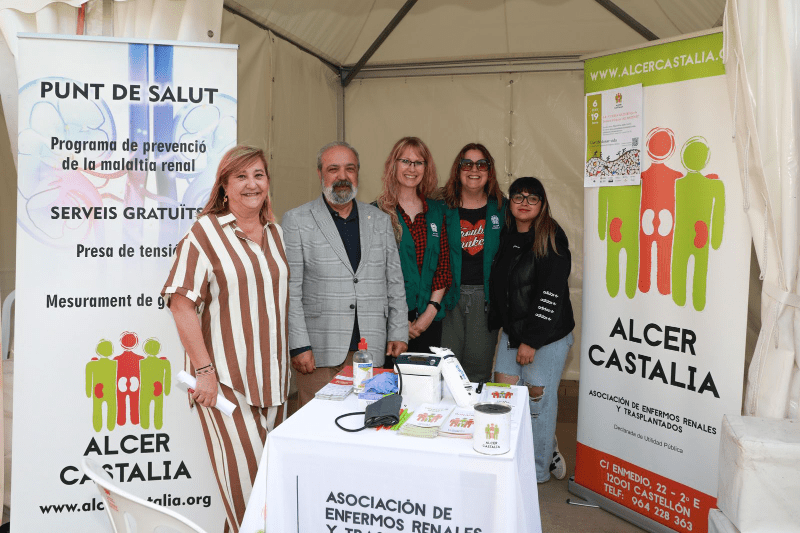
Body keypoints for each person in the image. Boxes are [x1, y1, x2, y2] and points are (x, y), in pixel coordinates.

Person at [162, 145, 289, 532]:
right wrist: (204, 372)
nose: (252, 184)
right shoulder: (205, 233)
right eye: (241, 176)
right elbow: (181, 304)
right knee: (253, 500)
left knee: (266, 497)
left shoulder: (276, 234)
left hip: (276, 384)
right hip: (227, 386)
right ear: (224, 186)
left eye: (259, 175)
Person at [283, 141, 408, 407]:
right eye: (333, 169)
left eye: (350, 169)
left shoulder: (380, 220)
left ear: (358, 172)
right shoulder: (297, 220)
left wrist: (398, 331)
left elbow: (394, 282)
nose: (343, 176)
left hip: (370, 348)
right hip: (319, 351)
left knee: (367, 420)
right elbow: (290, 290)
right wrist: (299, 345)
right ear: (320, 173)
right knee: (317, 425)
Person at [488, 176, 575, 483]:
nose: (524, 203)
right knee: (504, 395)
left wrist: (531, 341)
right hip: (513, 334)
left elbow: (551, 295)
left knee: (537, 399)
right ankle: (520, 453)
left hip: (546, 336)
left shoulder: (551, 237)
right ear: (510, 202)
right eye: (518, 197)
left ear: (542, 204)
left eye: (532, 198)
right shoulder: (506, 235)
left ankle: (537, 470)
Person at [375, 137, 451, 359]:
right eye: (405, 161)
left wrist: (430, 312)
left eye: (418, 162)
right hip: (389, 322)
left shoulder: (436, 211)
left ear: (426, 168)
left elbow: (443, 266)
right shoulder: (378, 212)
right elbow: (374, 274)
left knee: (425, 379)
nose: (412, 168)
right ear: (393, 165)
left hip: (429, 317)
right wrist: (398, 321)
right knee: (391, 380)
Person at [439, 143, 507, 382]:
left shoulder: (502, 208)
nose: (474, 170)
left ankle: (474, 407)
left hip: (485, 299)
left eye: (481, 164)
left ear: (490, 171)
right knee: (446, 369)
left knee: (478, 369)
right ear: (458, 170)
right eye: (467, 164)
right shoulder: (442, 207)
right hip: (448, 297)